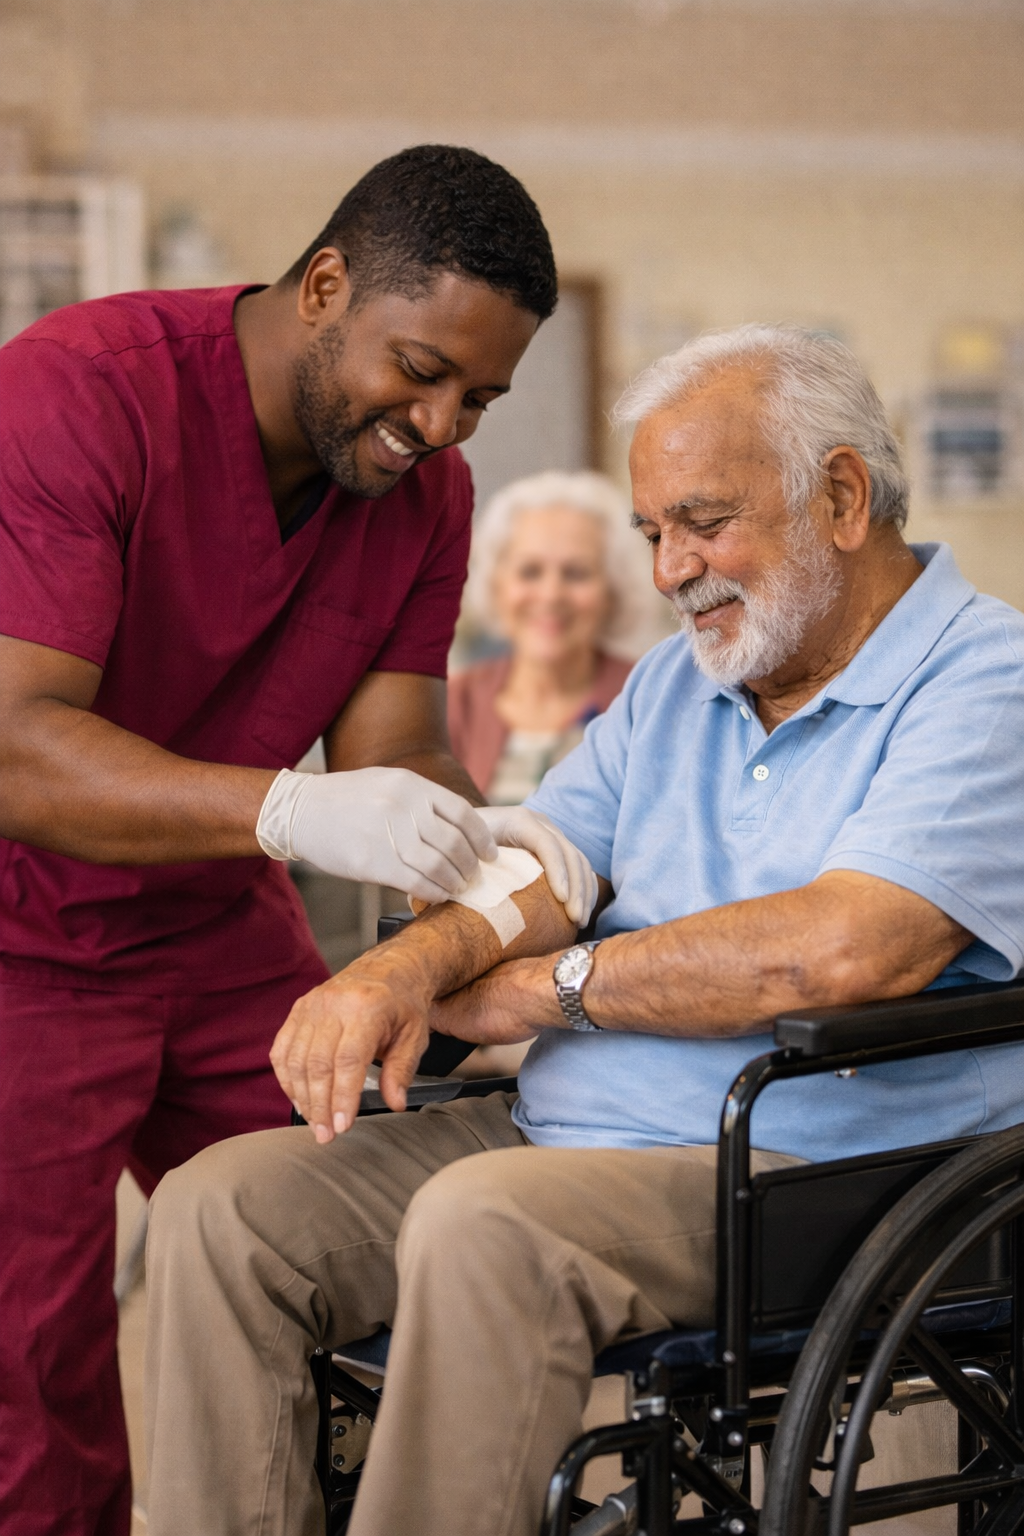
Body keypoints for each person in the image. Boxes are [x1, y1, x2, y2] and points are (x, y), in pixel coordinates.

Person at [143, 325, 1024, 1536]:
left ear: (839, 495)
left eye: (702, 523)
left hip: (810, 1167)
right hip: (568, 1129)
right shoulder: (680, 684)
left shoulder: (989, 684)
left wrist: (536, 991)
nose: (669, 571)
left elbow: (838, 948)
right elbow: (538, 868)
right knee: (224, 1205)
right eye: (652, 534)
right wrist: (402, 972)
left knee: (485, 1223)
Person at [0, 145, 597, 1536]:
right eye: (422, 370)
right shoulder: (80, 393)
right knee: (30, 1362)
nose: (445, 425)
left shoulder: (421, 499)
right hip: (21, 939)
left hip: (215, 936)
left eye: (482, 398)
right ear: (324, 284)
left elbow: (391, 757)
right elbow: (16, 742)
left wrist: (482, 848)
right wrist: (283, 806)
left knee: (345, 1243)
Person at [448, 471, 650, 801]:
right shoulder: (452, 705)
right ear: (496, 585)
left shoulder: (650, 699)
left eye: (576, 573)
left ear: (614, 588)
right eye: (530, 571)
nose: (551, 595)